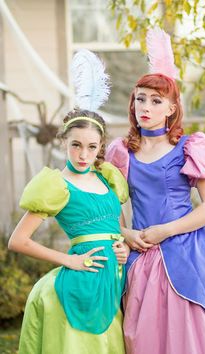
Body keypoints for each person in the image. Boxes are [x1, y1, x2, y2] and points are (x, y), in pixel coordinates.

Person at [106, 72, 205, 353]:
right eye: (140, 99)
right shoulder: (121, 152)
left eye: (156, 100)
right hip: (142, 256)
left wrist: (165, 230)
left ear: (171, 108)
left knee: (189, 335)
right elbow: (110, 206)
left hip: (190, 253)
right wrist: (126, 233)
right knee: (144, 337)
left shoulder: (188, 148)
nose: (146, 107)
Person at [8, 108, 130, 354]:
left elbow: (120, 229)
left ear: (100, 146)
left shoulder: (107, 178)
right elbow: (18, 241)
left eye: (92, 147)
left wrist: (124, 248)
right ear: (63, 141)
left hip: (116, 275)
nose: (83, 154)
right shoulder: (57, 185)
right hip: (83, 279)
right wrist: (69, 260)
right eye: (76, 145)